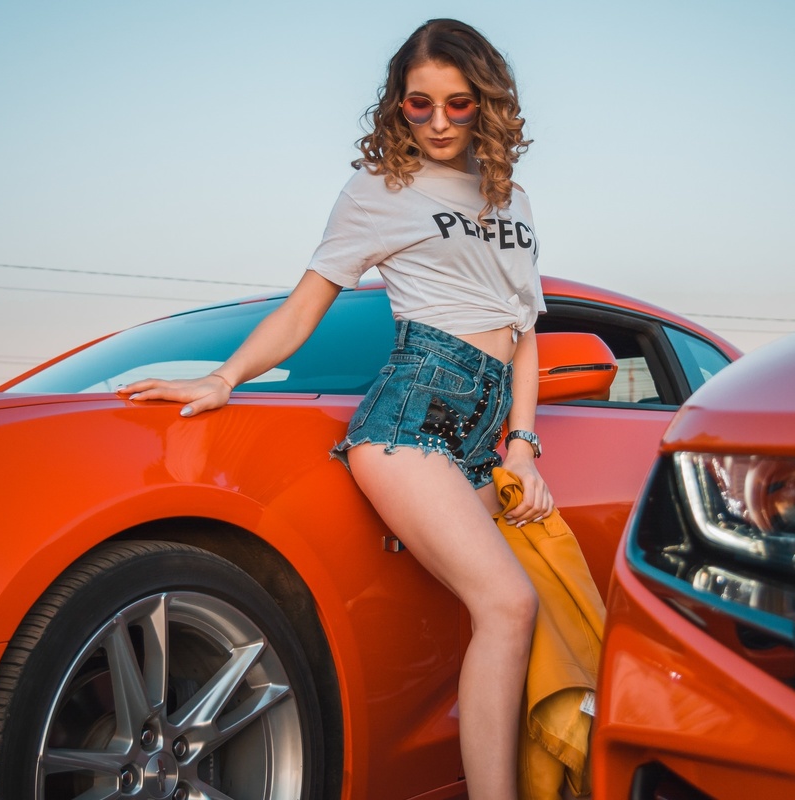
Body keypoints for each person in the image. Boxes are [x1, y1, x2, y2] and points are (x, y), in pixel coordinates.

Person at [119, 18, 551, 799]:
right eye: (420, 105)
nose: (441, 122)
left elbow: (524, 335)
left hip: (487, 437)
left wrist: (523, 444)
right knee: (509, 603)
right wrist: (226, 378)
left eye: (459, 103)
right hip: (409, 423)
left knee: (497, 616)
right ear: (397, 105)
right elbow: (307, 304)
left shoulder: (512, 197)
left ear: (487, 102)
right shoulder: (380, 190)